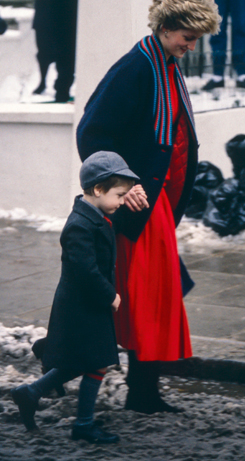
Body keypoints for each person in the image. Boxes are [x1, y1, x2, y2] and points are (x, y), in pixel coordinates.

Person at [76, 0, 221, 414]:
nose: (191, 46)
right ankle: (132, 390)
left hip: (158, 205)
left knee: (151, 298)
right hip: (140, 205)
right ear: (167, 26)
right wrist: (123, 185)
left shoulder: (164, 63)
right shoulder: (136, 68)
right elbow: (92, 132)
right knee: (143, 300)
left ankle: (141, 391)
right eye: (188, 37)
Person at [11, 151, 145, 443]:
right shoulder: (79, 226)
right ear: (98, 190)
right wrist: (109, 294)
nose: (122, 202)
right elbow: (84, 270)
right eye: (119, 195)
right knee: (92, 361)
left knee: (88, 361)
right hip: (82, 306)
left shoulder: (97, 213)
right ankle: (82, 424)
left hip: (89, 305)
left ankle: (31, 393)